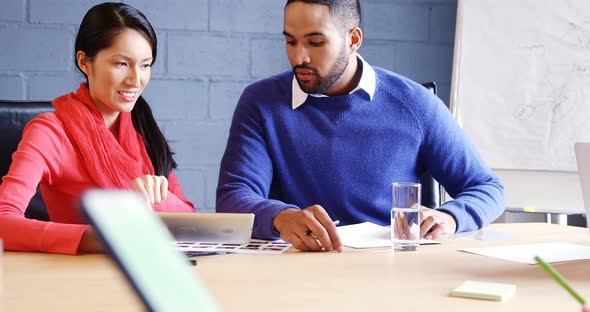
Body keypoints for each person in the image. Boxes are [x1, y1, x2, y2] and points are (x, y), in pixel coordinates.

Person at [216, 0, 505, 252]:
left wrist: (452, 217)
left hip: (391, 265)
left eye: (315, 42)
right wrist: (281, 217)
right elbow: (233, 196)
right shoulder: (260, 102)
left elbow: (486, 188)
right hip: (301, 265)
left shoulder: (414, 103)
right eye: (291, 41)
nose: (299, 57)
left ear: (353, 39)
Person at [0, 2, 194, 255]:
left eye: (145, 65)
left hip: (146, 271)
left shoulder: (142, 129)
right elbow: (3, 221)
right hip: (74, 278)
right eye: (121, 64)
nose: (136, 80)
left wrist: (158, 198)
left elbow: (191, 220)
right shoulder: (49, 132)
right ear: (85, 62)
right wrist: (100, 238)